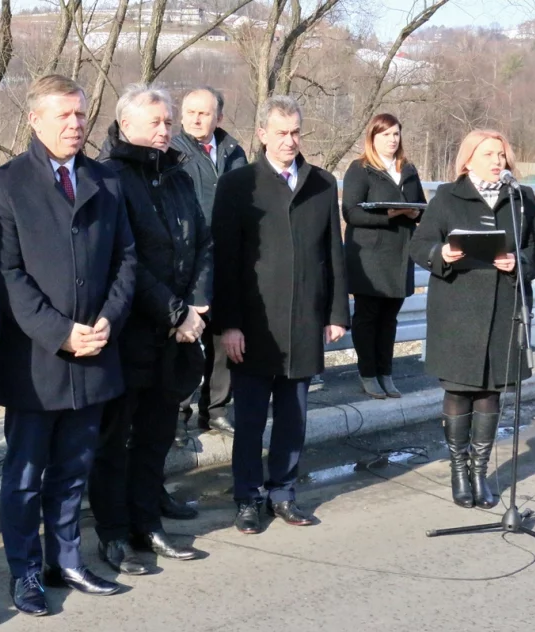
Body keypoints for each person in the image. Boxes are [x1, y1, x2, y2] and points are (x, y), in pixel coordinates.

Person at [0, 75, 136, 617]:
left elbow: (127, 259)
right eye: (63, 115)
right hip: (37, 359)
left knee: (74, 468)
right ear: (35, 120)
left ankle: (65, 559)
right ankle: (24, 571)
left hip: (96, 351)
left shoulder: (105, 180)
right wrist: (60, 332)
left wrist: (107, 321)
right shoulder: (5, 186)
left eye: (81, 114)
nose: (75, 124)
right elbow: (6, 276)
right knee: (24, 475)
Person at [212, 95, 349, 535]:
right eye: (281, 133)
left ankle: (283, 493)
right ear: (263, 135)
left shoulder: (322, 183)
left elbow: (334, 254)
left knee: (294, 416)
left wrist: (336, 313)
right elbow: (225, 260)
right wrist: (228, 323)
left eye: (295, 133)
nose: (290, 141)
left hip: (305, 320)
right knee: (250, 419)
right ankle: (248, 497)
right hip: (254, 324)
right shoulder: (238, 185)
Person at [88, 84, 210, 575]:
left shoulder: (176, 174)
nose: (166, 131)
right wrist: (176, 311)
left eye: (168, 122)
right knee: (114, 441)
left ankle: (147, 524)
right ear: (127, 124)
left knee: (157, 436)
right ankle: (113, 533)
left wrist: (197, 304)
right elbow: (127, 262)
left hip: (178, 332)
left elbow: (203, 242)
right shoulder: (111, 177)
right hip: (131, 333)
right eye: (157, 123)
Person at [410, 130, 535, 509]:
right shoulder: (446, 196)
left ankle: (479, 471)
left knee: (490, 391)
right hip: (457, 309)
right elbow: (418, 246)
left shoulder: (520, 198)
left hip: (504, 307)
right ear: (468, 158)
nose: (497, 161)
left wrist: (518, 262)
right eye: (489, 154)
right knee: (459, 390)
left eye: (502, 155)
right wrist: (442, 252)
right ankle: (458, 470)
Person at [171, 86, 247, 438]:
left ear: (219, 116)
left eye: (204, 113)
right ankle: (178, 410)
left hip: (229, 257)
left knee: (222, 339)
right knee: (185, 338)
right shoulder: (173, 151)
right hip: (189, 260)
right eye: (190, 112)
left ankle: (215, 409)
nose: (196, 119)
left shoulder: (234, 152)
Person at [342, 114, 426, 399]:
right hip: (370, 255)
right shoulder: (361, 169)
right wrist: (389, 215)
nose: (392, 139)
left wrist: (416, 213)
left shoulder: (408, 169)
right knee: (368, 317)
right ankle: (368, 373)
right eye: (386, 134)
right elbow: (351, 212)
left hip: (400, 254)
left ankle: (385, 373)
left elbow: (422, 206)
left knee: (390, 318)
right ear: (373, 138)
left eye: (396, 134)